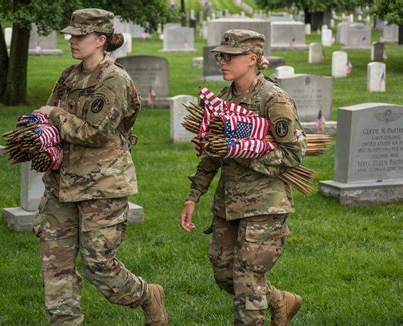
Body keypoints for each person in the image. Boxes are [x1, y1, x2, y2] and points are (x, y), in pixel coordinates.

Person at [32, 8, 168, 326]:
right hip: (61, 183)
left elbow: (98, 132)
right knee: (55, 262)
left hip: (101, 185)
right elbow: (49, 115)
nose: (72, 40)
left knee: (98, 264)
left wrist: (55, 116)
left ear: (100, 39)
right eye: (71, 35)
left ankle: (146, 295)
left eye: (80, 35)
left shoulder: (114, 80)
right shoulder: (69, 76)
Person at [180, 29, 307, 326]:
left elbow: (293, 154)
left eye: (230, 56)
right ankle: (281, 301)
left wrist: (241, 149)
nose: (222, 61)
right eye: (220, 55)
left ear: (252, 59)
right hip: (229, 203)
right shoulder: (220, 100)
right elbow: (211, 153)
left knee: (247, 282)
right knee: (225, 274)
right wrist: (193, 195)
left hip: (266, 203)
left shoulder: (273, 99)